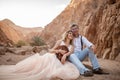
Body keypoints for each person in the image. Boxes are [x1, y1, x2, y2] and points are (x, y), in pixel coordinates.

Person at [0, 30, 79, 80]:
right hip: (52, 56)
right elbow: (50, 50)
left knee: (68, 70)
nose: (70, 35)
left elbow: (69, 53)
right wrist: (58, 50)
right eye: (69, 33)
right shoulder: (60, 41)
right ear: (66, 34)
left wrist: (65, 55)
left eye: (72, 34)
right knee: (41, 67)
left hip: (61, 59)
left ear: (73, 37)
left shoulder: (72, 46)